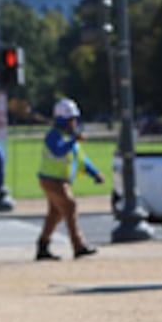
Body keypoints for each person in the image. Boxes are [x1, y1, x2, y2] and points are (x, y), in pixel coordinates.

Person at [35, 97, 103, 260]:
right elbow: (58, 151)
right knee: (70, 206)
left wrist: (94, 173)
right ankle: (78, 246)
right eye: (70, 119)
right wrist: (73, 140)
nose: (73, 122)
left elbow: (82, 161)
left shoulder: (70, 138)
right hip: (51, 180)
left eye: (74, 119)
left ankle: (43, 246)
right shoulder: (53, 136)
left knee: (56, 214)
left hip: (61, 181)